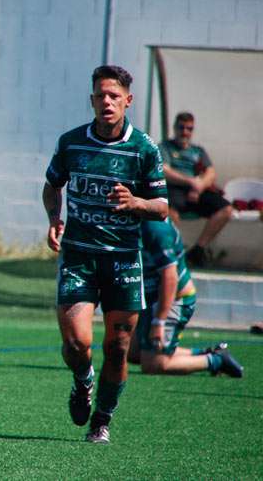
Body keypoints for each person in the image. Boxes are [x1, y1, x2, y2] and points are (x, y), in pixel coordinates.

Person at [42, 65, 169, 444]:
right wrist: (53, 218)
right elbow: (52, 186)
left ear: (127, 100)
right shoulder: (71, 143)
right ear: (92, 100)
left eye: (114, 96)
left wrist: (136, 202)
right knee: (77, 343)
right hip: (79, 256)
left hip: (123, 259)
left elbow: (162, 207)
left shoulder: (144, 149)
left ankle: (102, 419)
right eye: (100, 95)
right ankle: (83, 380)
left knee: (117, 347)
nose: (107, 102)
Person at [128, 219, 243, 377]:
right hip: (152, 297)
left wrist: (159, 321)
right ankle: (206, 352)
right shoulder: (139, 220)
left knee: (154, 365)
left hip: (172, 300)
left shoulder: (155, 227)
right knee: (132, 353)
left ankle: (216, 360)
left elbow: (170, 278)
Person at [158, 112, 232, 267]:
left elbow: (210, 173)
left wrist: (199, 186)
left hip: (196, 190)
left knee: (226, 209)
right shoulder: (165, 147)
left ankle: (198, 249)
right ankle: (175, 250)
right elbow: (165, 170)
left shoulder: (198, 151)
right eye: (181, 128)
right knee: (171, 211)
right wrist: (190, 181)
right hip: (174, 188)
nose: (185, 132)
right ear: (175, 128)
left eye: (189, 129)